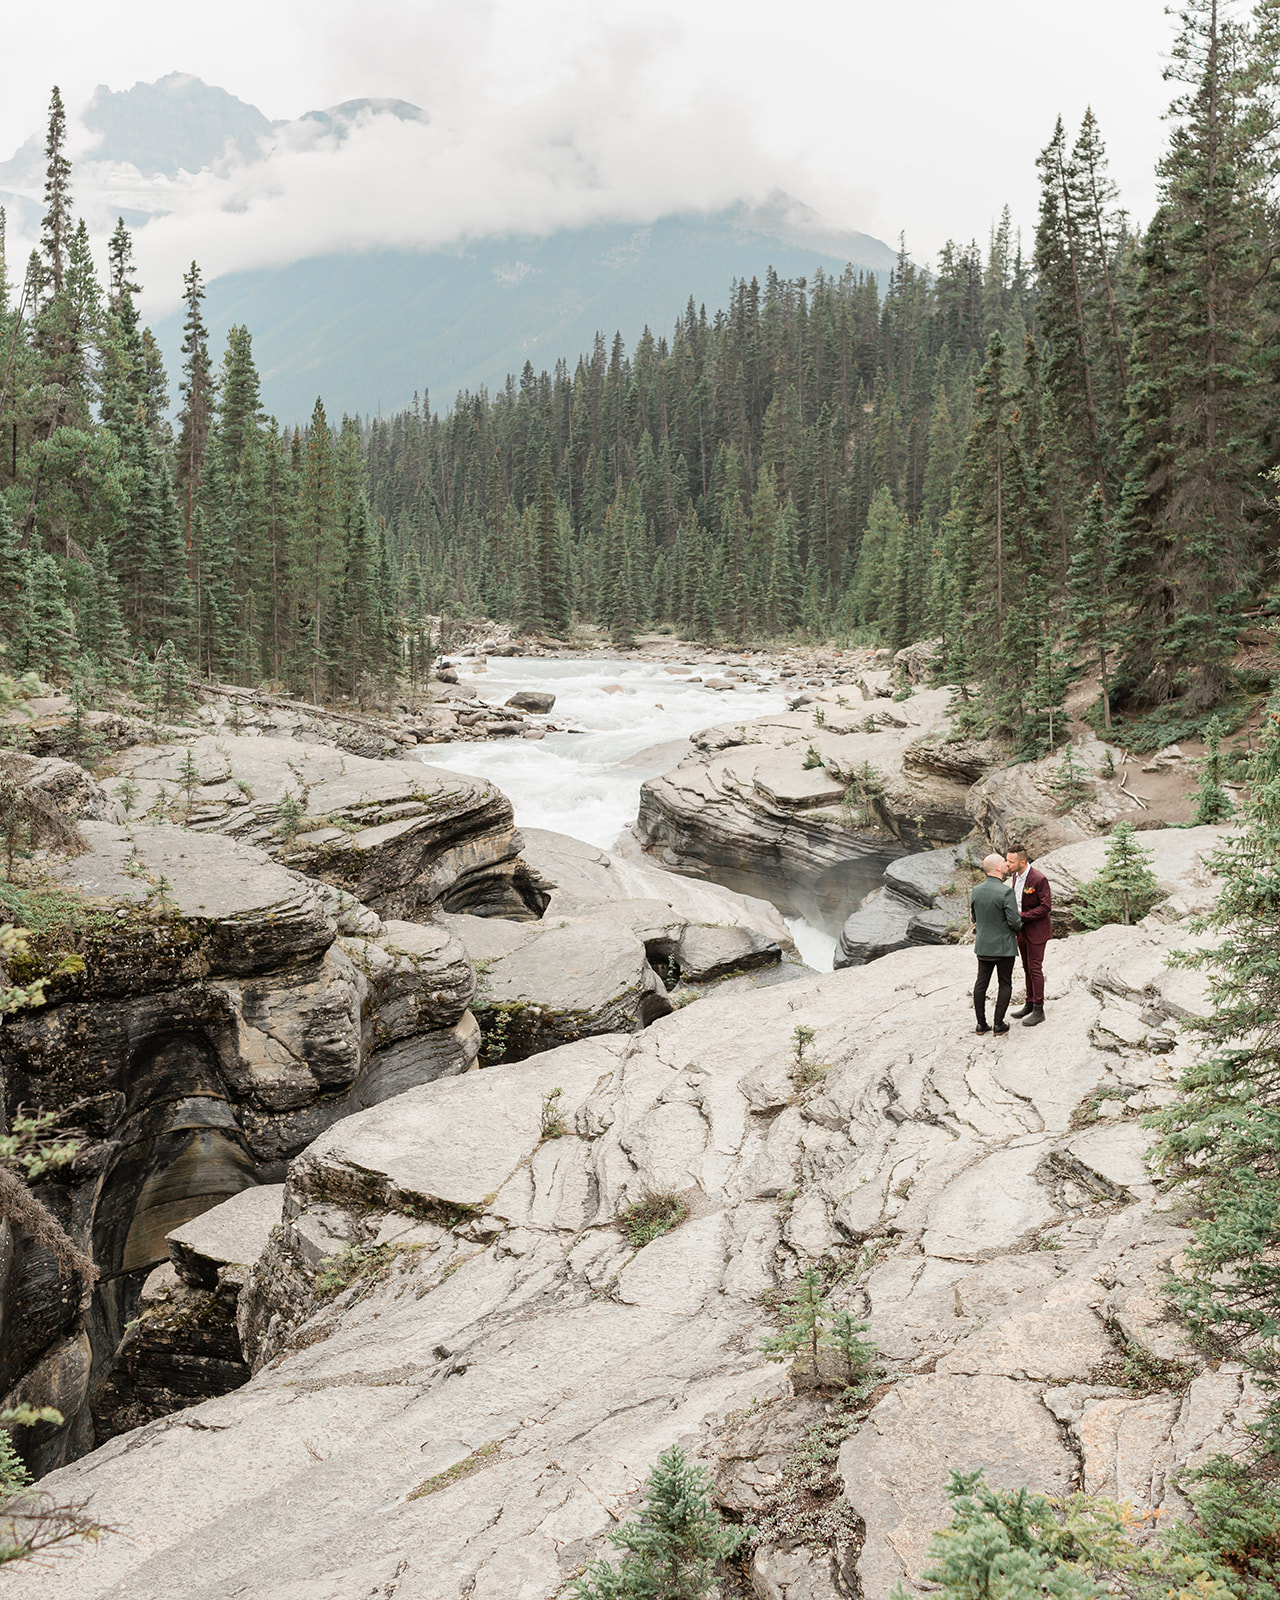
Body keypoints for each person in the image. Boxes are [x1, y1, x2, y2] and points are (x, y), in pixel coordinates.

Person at [970, 853, 1023, 1036]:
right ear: (998, 868)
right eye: (1004, 861)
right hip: (1003, 947)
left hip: (984, 946)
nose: (1007, 863)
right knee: (1005, 983)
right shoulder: (1005, 891)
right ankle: (998, 1024)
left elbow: (975, 918)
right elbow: (1014, 922)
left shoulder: (976, 890)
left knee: (981, 984)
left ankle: (981, 1025)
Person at [1006, 841, 1053, 1027]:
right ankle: (1029, 1002)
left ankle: (1039, 1009)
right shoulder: (1016, 876)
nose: (1007, 864)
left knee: (1035, 968)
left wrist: (1023, 916)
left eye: (1011, 861)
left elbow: (1046, 907)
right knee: (1026, 967)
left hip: (1036, 930)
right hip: (1021, 930)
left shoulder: (1039, 879)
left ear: (1022, 862)